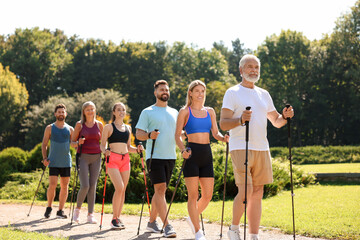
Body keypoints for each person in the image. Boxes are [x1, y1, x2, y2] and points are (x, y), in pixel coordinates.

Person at [220, 54, 294, 240]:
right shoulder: (232, 92)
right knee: (245, 191)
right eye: (249, 67)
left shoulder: (264, 94)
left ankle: (253, 235)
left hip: (262, 148)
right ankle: (234, 229)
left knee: (258, 192)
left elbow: (276, 121)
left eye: (256, 67)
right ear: (241, 70)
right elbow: (223, 123)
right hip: (240, 147)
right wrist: (240, 120)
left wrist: (285, 116)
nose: (253, 70)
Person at [175, 80, 229, 240]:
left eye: (202, 91)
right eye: (197, 91)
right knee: (193, 195)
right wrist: (183, 150)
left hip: (206, 154)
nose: (200, 94)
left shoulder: (210, 111)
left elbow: (215, 133)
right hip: (191, 154)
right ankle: (198, 231)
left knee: (207, 195)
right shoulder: (185, 111)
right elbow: (177, 135)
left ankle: (192, 217)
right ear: (190, 93)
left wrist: (223, 138)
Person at [135, 80, 178, 238]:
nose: (165, 91)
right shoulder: (148, 112)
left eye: (167, 89)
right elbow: (138, 134)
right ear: (155, 92)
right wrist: (148, 135)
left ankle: (152, 223)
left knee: (160, 192)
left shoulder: (175, 112)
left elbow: (178, 133)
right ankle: (167, 226)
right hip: (154, 157)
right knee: (160, 190)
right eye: (161, 89)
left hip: (171, 156)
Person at [100, 102, 143, 229]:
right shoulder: (108, 127)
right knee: (119, 187)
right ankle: (114, 218)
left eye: (123, 110)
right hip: (113, 159)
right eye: (118, 110)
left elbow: (128, 147)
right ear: (114, 112)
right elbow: (102, 145)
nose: (121, 112)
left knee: (123, 189)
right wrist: (105, 151)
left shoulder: (128, 128)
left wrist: (138, 150)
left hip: (125, 160)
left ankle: (118, 217)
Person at [42, 104, 77, 219]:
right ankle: (49, 207)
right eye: (59, 112)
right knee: (52, 185)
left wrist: (79, 146)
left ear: (66, 114)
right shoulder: (49, 128)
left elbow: (74, 145)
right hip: (53, 161)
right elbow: (44, 144)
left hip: (66, 162)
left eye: (63, 112)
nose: (61, 114)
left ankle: (60, 210)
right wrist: (45, 158)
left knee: (65, 186)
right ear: (55, 114)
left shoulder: (71, 129)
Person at [71, 101, 103, 224]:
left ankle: (90, 215)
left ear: (95, 110)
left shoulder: (99, 125)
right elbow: (72, 143)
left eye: (92, 109)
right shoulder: (79, 125)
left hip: (96, 157)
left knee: (92, 186)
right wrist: (78, 142)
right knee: (85, 186)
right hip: (83, 157)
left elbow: (103, 141)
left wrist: (105, 149)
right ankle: (77, 211)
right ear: (84, 112)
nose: (90, 111)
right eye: (87, 109)